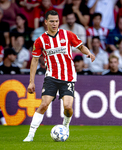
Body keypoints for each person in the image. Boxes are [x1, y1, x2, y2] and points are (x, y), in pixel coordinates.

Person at [23, 10, 95, 142]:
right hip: (51, 77)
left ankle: (65, 126)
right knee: (44, 104)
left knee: (68, 107)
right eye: (51, 21)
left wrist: (88, 53)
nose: (54, 23)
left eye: (56, 21)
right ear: (46, 22)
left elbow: (80, 46)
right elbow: (34, 61)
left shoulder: (67, 35)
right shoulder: (40, 41)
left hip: (68, 76)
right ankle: (30, 134)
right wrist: (31, 82)